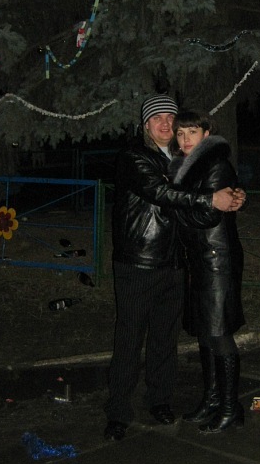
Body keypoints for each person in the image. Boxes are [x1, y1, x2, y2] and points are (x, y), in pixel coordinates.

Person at [103, 94, 244, 442]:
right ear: (145, 125)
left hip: (177, 261)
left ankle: (160, 400)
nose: (166, 124)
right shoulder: (134, 157)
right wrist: (211, 199)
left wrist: (234, 194)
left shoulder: (185, 159)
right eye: (157, 119)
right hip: (139, 260)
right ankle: (118, 411)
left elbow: (215, 179)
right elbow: (160, 193)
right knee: (129, 338)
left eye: (171, 118)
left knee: (165, 338)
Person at [169, 109, 245, 434]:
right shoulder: (184, 167)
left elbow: (207, 216)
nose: (185, 139)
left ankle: (231, 408)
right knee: (205, 331)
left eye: (192, 132)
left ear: (206, 134)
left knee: (219, 333)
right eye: (180, 133)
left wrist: (171, 205)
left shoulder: (216, 165)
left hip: (218, 260)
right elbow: (200, 205)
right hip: (199, 260)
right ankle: (212, 399)